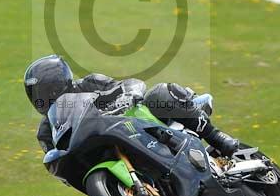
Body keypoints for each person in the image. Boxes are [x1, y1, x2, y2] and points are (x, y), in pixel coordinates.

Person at [24, 54, 240, 156]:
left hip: (138, 125)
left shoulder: (90, 83)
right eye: (36, 94)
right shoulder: (46, 131)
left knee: (160, 93)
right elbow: (56, 160)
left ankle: (217, 137)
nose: (42, 98)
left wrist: (129, 96)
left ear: (58, 84)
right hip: (106, 151)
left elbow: (130, 84)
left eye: (45, 91)